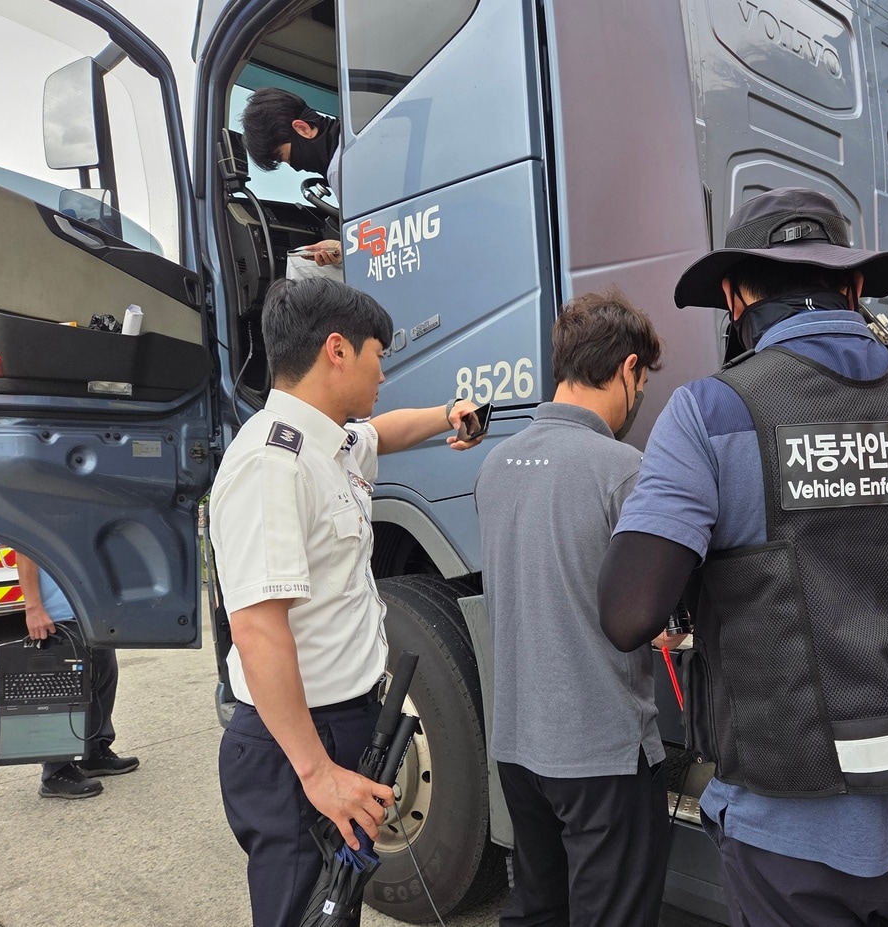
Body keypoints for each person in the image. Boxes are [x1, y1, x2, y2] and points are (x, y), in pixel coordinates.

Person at [597, 188, 888, 927]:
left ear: (737, 294)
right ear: (856, 285)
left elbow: (627, 612)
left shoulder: (710, 412)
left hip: (788, 836)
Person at [208, 277, 482, 927]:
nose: (385, 370)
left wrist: (448, 418)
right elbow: (257, 630)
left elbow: (384, 432)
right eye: (378, 354)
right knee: (304, 911)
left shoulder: (333, 441)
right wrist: (318, 773)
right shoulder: (271, 465)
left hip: (343, 721)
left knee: (336, 910)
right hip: (298, 742)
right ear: (337, 350)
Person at [475, 289, 676, 927]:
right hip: (602, 754)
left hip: (517, 746)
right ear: (628, 369)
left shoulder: (496, 465)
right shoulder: (624, 470)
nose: (639, 399)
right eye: (642, 382)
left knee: (538, 908)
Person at [17, 553, 139, 799]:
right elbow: (24, 551)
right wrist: (33, 607)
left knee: (104, 675)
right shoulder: (38, 513)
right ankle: (56, 771)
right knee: (63, 692)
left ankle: (93, 752)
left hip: (89, 606)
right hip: (56, 612)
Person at [241, 87, 343, 280]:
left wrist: (344, 250)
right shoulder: (353, 137)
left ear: (302, 128)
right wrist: (340, 248)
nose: (295, 167)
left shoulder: (339, 169)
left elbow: (379, 238)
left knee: (301, 266)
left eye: (285, 158)